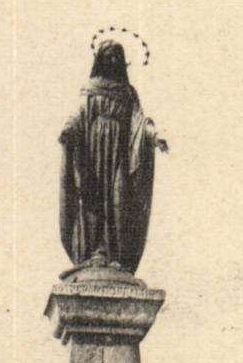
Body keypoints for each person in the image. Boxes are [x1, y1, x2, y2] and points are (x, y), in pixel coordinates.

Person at [59, 40, 167, 275]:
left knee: (119, 201)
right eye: (108, 56)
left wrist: (154, 136)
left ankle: (117, 255)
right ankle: (96, 251)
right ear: (100, 60)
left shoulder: (128, 94)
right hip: (93, 156)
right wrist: (68, 131)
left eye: (117, 57)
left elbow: (139, 120)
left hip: (118, 156)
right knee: (93, 200)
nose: (113, 61)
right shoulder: (90, 89)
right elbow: (77, 115)